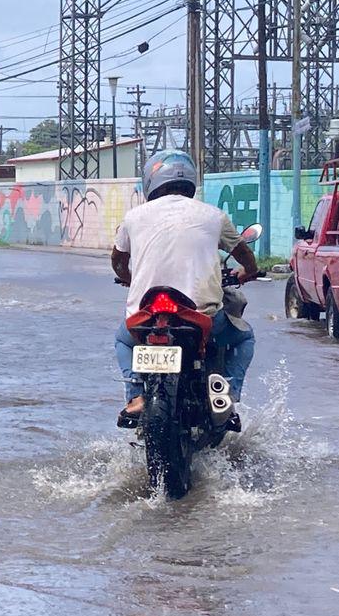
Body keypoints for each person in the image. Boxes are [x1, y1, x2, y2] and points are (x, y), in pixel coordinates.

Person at [110, 150, 259, 428]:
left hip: (147, 316)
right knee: (243, 338)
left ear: (151, 181)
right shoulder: (214, 216)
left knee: (123, 340)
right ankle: (227, 395)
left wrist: (130, 278)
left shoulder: (133, 217)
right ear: (190, 180)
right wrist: (248, 272)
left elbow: (117, 261)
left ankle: (135, 396)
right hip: (200, 316)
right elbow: (245, 256)